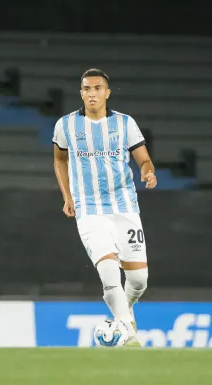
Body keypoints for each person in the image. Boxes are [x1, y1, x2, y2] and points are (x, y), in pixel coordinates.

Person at [52, 68, 157, 347]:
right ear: (81, 93)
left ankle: (126, 311)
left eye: (97, 88)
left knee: (138, 280)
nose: (92, 93)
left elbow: (143, 159)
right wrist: (67, 196)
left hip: (125, 208)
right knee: (109, 273)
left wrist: (148, 172)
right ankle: (128, 334)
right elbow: (60, 160)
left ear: (107, 93)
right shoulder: (66, 125)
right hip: (89, 210)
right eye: (86, 89)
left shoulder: (125, 124)